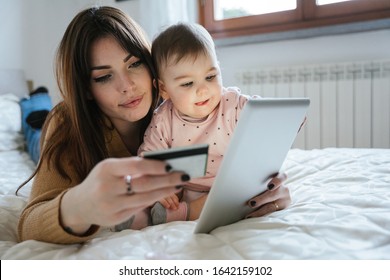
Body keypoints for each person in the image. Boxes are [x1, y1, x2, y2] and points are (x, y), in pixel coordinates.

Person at [17, 6, 290, 245]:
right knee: (35, 134)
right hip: (55, 131)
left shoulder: (176, 99)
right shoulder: (66, 123)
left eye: (134, 64)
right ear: (86, 89)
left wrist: (262, 184)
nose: (128, 87)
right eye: (103, 77)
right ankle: (33, 104)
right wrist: (81, 205)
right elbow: (29, 223)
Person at [136, 22, 289, 226]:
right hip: (185, 189)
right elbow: (148, 158)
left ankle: (186, 213)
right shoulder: (163, 118)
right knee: (152, 198)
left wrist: (274, 118)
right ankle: (149, 215)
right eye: (188, 83)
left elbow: (261, 117)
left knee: (236, 196)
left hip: (227, 187)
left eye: (210, 76)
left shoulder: (233, 104)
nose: (203, 90)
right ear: (164, 89)